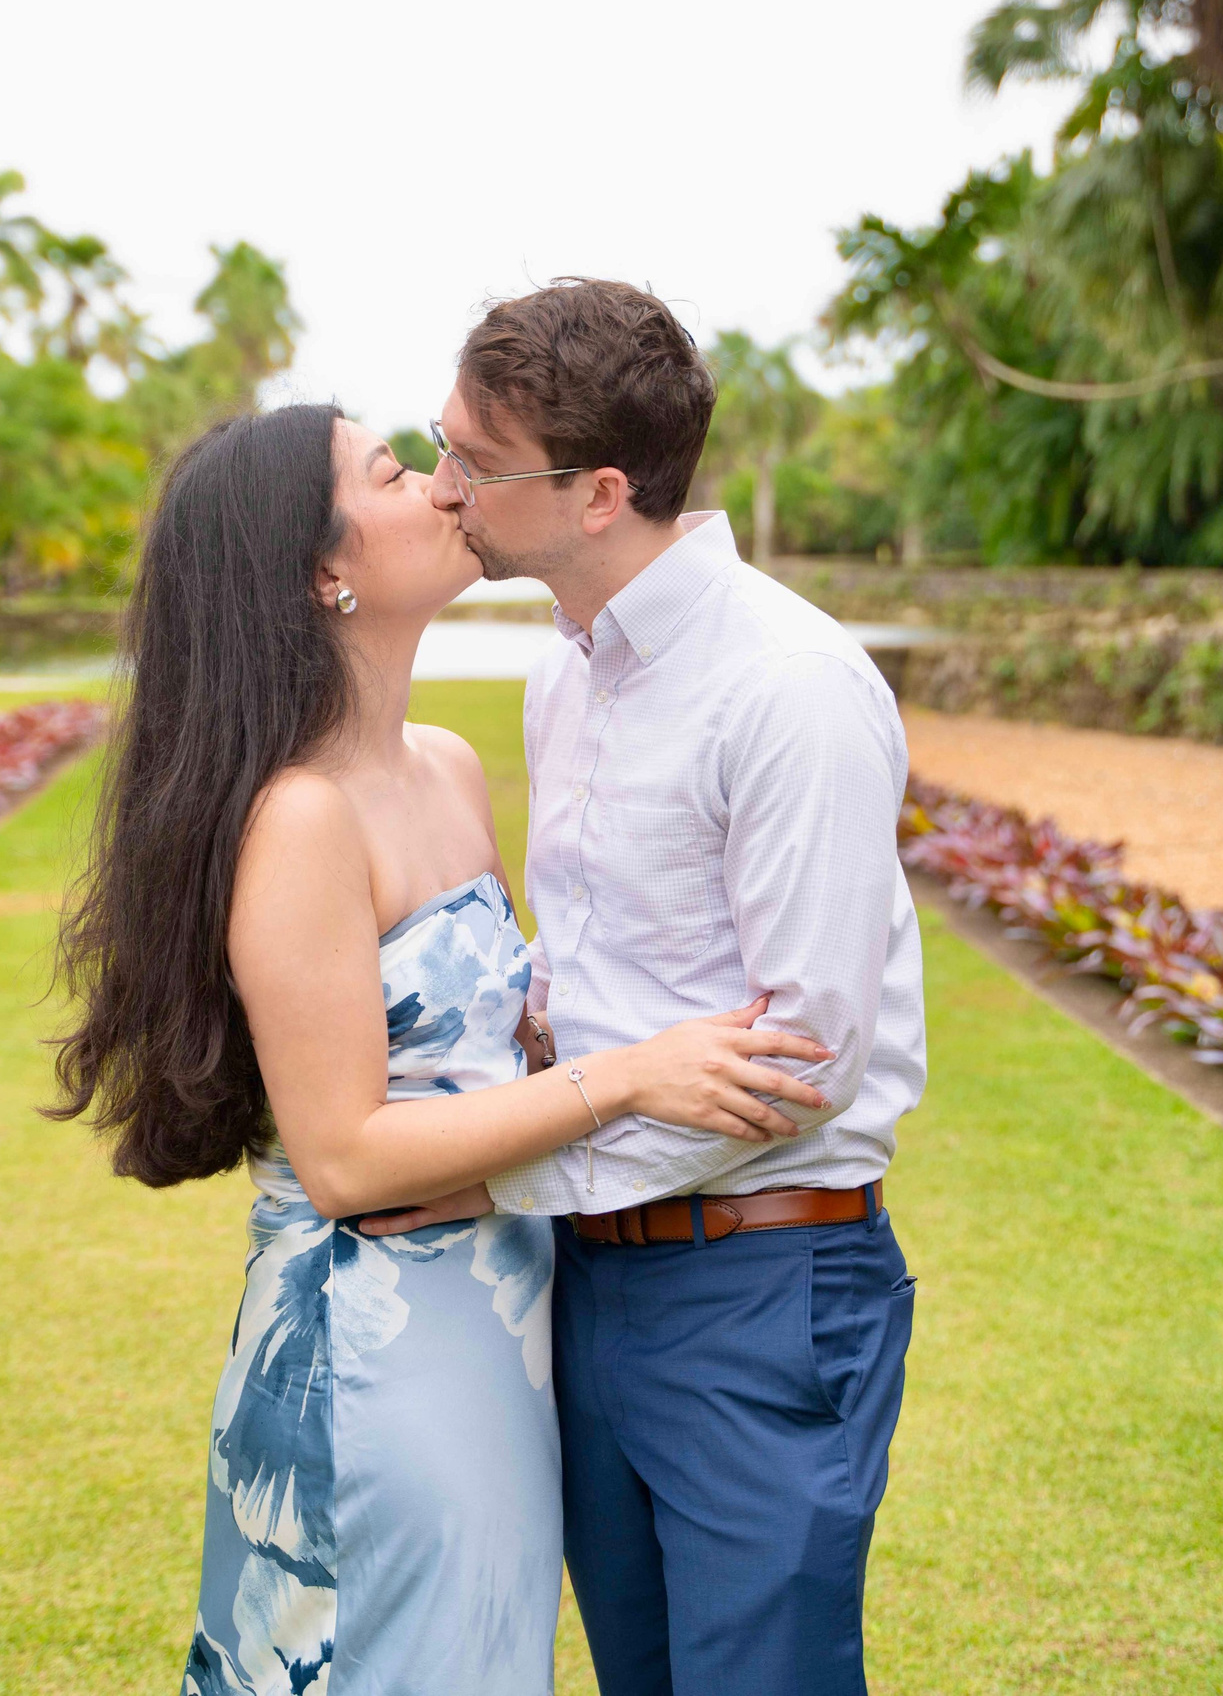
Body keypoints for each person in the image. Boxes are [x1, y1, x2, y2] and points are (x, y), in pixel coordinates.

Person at [48, 402, 833, 1696]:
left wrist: (557, 1036)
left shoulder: (449, 767)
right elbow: (348, 1156)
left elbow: (479, 1048)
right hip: (379, 1347)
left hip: (506, 1314)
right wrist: (627, 1077)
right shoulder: (300, 819)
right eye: (394, 469)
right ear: (324, 571)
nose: (443, 482)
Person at [363, 279, 926, 1696]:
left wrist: (506, 1171)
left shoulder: (785, 685)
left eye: (474, 464)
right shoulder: (573, 677)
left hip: (758, 1274)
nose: (444, 490)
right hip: (593, 1281)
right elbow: (615, 965)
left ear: (598, 491)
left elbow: (802, 1058)